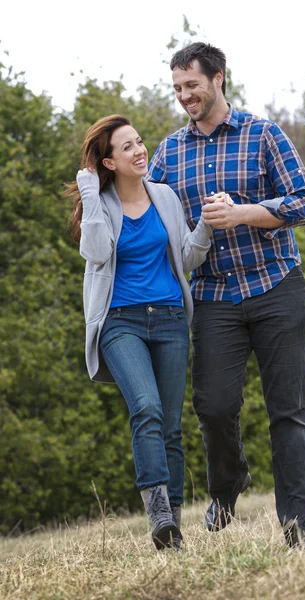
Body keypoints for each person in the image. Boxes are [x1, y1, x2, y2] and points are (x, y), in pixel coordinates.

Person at [147, 42, 305, 547]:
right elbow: (147, 213)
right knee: (216, 407)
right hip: (213, 297)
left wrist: (243, 212)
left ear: (218, 78)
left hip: (275, 285)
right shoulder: (169, 152)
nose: (184, 96)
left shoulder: (262, 133)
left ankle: (299, 527)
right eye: (177, 87)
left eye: (192, 85)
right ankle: (228, 487)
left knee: (289, 408)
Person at [64, 114, 220, 550]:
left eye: (139, 142)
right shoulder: (101, 201)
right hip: (120, 321)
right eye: (127, 147)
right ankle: (158, 514)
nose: (139, 150)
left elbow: (187, 258)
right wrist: (90, 194)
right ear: (109, 162)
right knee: (146, 409)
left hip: (170, 318)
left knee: (170, 426)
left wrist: (206, 223)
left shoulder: (165, 197)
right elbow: (95, 252)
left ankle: (171, 529)